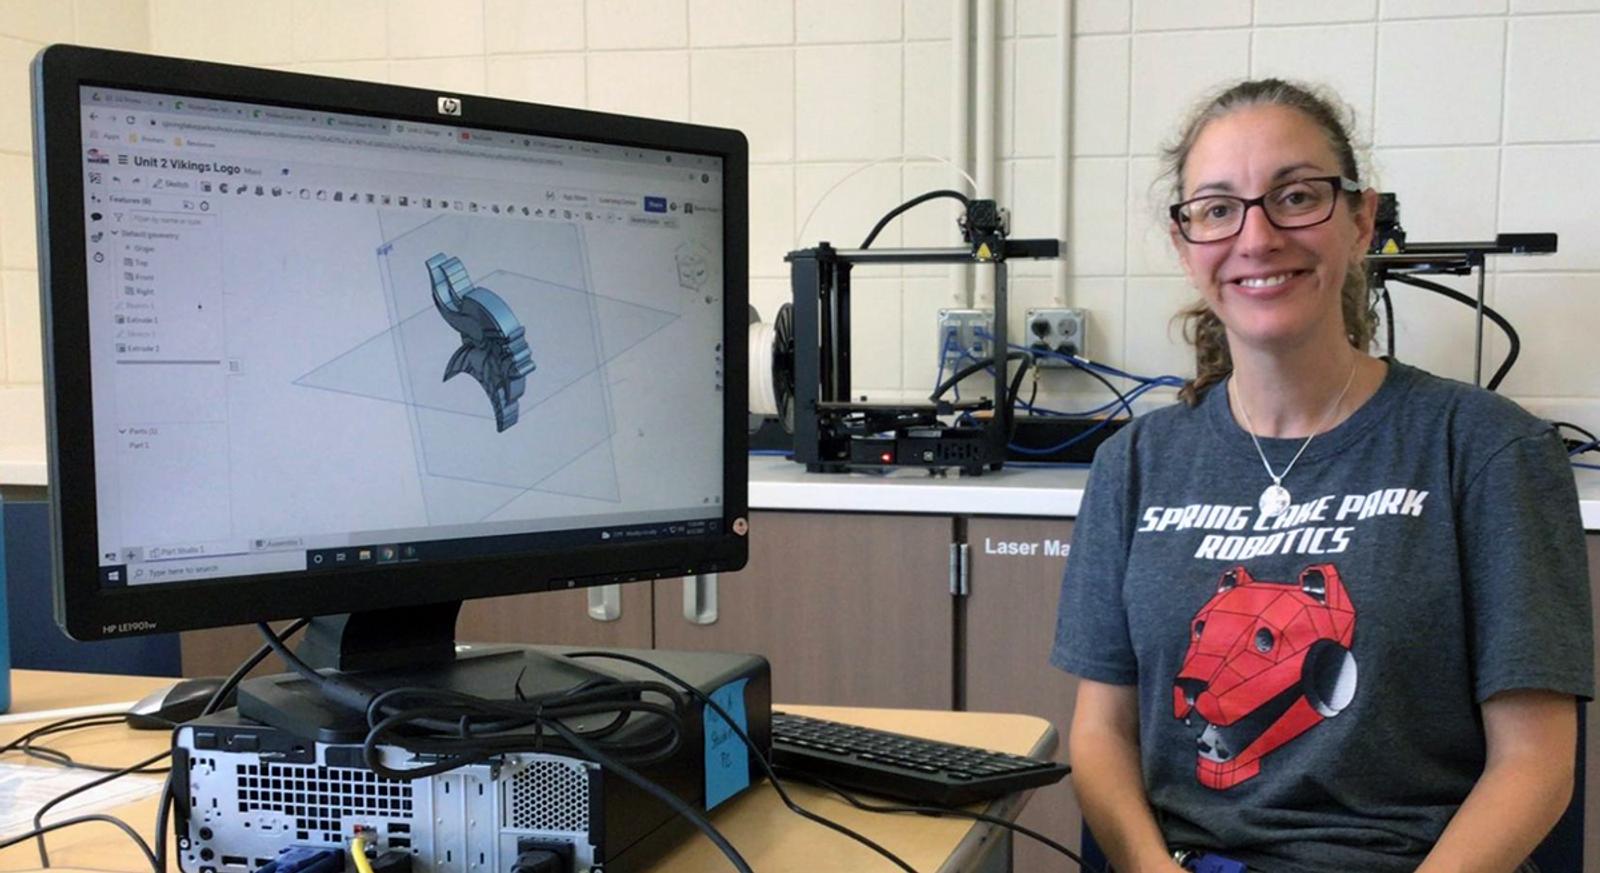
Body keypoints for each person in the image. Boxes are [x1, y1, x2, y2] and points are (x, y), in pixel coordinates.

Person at [1051, 78, 1593, 873]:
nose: (1257, 236)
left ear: (1361, 218)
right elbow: (1103, 732)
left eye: (1296, 195)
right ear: (1186, 243)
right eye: (1217, 208)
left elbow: (1535, 762)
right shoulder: (1135, 464)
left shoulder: (1485, 449)